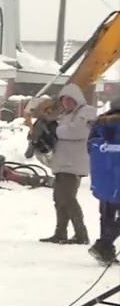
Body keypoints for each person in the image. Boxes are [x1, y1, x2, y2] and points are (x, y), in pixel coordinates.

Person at [39, 83, 97, 244]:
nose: (67, 103)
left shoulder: (87, 112)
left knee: (68, 199)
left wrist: (54, 131)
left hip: (73, 164)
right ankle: (60, 232)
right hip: (62, 163)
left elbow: (78, 131)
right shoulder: (66, 115)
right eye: (64, 100)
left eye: (70, 100)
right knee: (59, 199)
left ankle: (81, 234)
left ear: (77, 99)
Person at [87, 97, 120, 264]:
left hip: (104, 178)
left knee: (106, 214)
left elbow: (90, 149)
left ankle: (106, 251)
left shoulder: (100, 124)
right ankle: (104, 245)